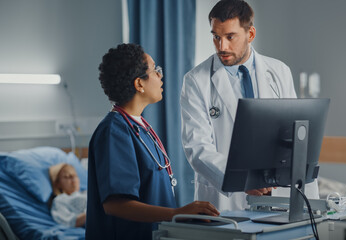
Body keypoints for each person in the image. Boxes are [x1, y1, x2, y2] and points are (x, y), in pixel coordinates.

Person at [180, 0, 319, 212]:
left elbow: (295, 135)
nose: (221, 46)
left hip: (277, 193)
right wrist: (243, 180)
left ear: (250, 34)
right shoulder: (196, 80)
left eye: (230, 37)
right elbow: (197, 148)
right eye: (216, 37)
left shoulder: (279, 71)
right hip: (227, 201)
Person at [85, 43, 219, 239]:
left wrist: (181, 218)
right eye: (155, 70)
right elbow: (115, 204)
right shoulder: (114, 131)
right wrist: (176, 213)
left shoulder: (140, 127)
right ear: (139, 84)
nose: (160, 75)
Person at [49, 163, 86, 228]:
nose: (73, 179)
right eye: (67, 176)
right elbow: (71, 222)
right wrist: (94, 211)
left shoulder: (86, 193)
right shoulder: (60, 200)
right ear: (57, 183)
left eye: (75, 175)